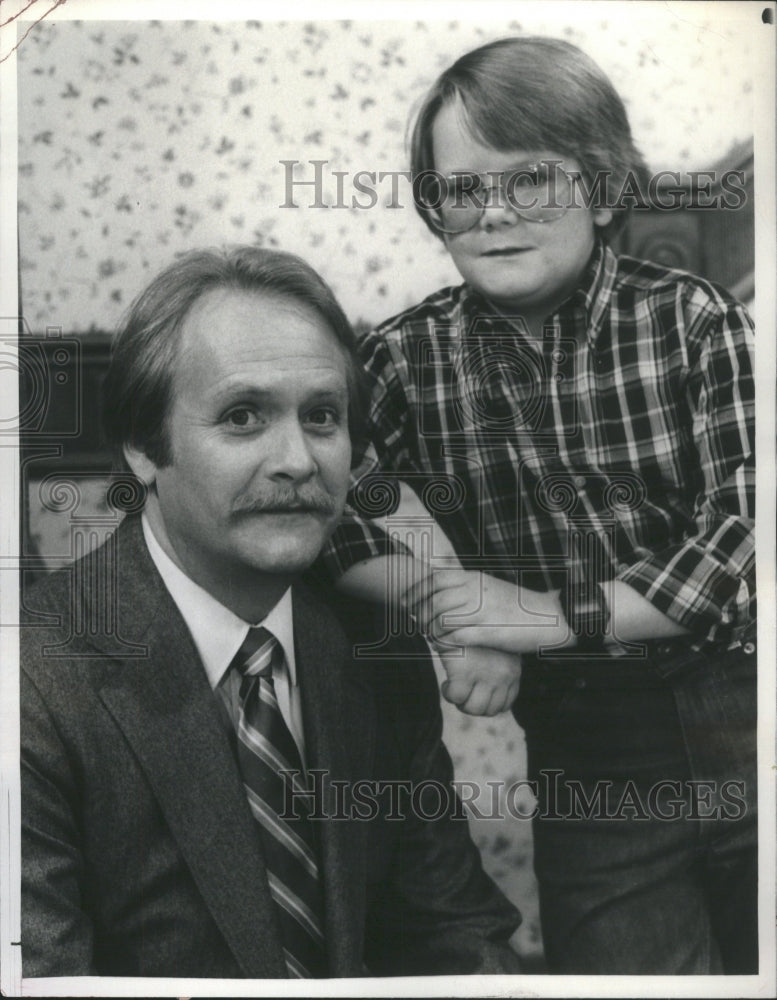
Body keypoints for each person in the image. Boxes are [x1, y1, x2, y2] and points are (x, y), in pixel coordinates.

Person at [322, 37, 756, 974]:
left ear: (602, 191)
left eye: (528, 183)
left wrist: (538, 616)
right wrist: (454, 609)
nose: (492, 214)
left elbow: (739, 540)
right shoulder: (404, 358)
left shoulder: (693, 320)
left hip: (748, 708)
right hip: (592, 755)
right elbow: (330, 510)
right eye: (460, 191)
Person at [20, 245, 524, 980]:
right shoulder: (31, 681)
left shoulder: (371, 643)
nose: (296, 460)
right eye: (242, 417)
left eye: (322, 416)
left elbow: (450, 931)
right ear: (140, 449)